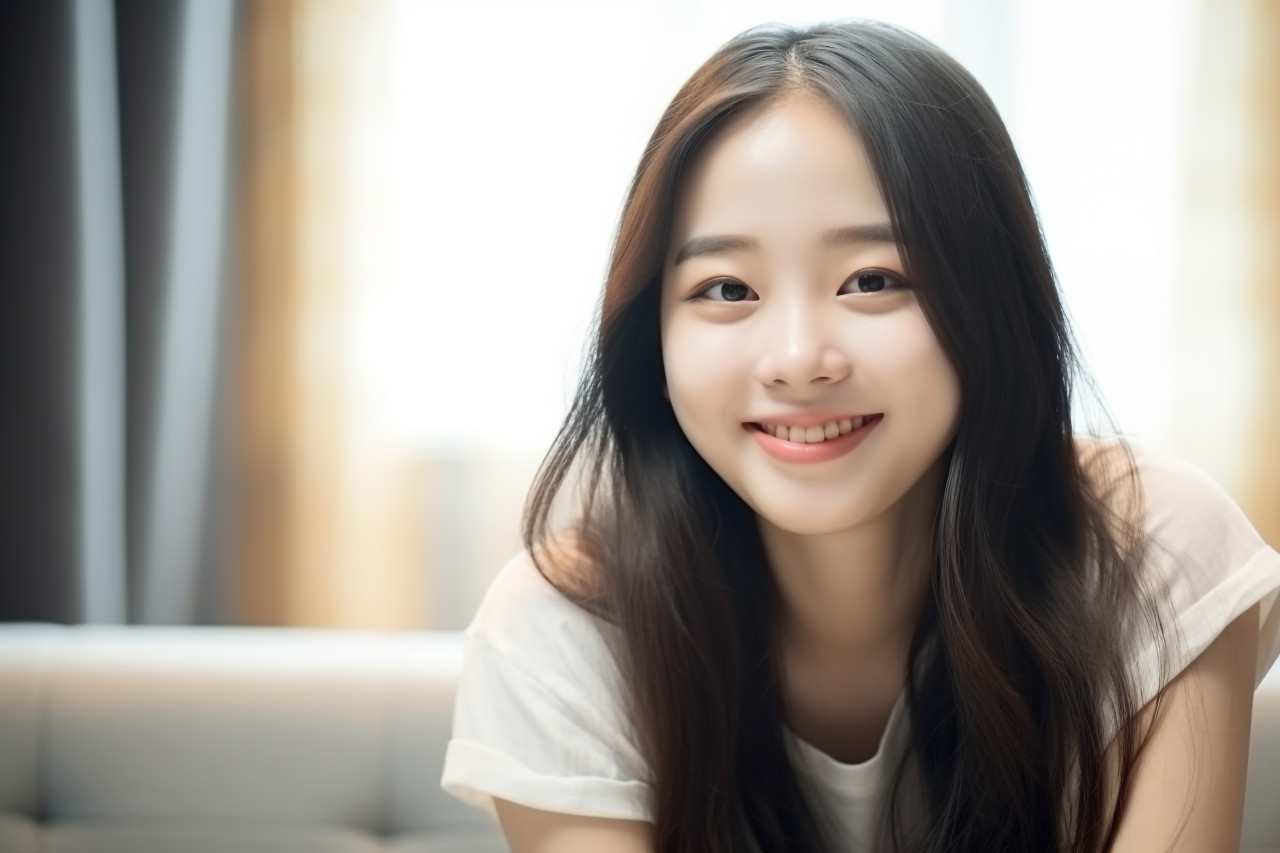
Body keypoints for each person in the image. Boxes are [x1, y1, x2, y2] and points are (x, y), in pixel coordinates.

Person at [440, 20, 1280, 853]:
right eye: (726, 289)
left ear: (991, 304)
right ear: (650, 344)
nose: (798, 359)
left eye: (872, 280)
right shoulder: (561, 632)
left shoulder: (1154, 554)